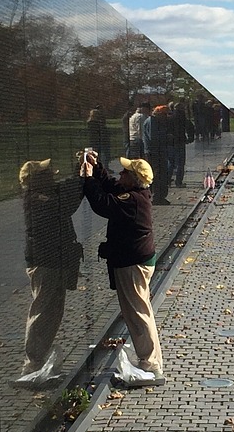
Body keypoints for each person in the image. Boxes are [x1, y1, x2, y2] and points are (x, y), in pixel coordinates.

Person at [80, 151, 164, 383]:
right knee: (141, 310)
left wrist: (88, 179)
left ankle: (151, 365)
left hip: (132, 264)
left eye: (125, 171)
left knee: (138, 314)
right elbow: (111, 187)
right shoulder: (136, 193)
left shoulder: (132, 200)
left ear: (133, 178)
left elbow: (103, 203)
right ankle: (151, 361)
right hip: (136, 261)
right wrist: (96, 168)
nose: (121, 173)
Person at [14, 158, 84, 384]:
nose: (53, 177)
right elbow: (65, 205)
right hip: (45, 263)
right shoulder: (37, 200)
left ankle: (40, 358)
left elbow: (66, 193)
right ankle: (33, 361)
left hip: (55, 261)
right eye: (47, 175)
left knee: (53, 310)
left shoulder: (45, 194)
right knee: (43, 309)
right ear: (37, 180)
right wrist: (80, 178)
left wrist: (80, 172)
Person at [148, 104, 171, 204]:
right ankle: (157, 196)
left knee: (162, 174)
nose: (166, 117)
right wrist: (166, 137)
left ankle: (160, 196)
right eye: (164, 115)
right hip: (155, 152)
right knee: (158, 175)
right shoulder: (152, 122)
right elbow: (153, 138)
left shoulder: (158, 122)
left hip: (160, 151)